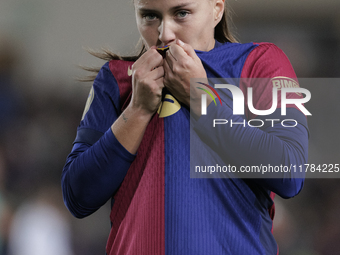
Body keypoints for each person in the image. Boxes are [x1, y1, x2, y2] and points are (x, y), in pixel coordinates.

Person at [61, 0, 309, 254]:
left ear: (216, 9)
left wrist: (199, 97)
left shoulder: (259, 63)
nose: (164, 34)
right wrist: (138, 109)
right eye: (149, 16)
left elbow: (289, 172)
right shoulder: (116, 79)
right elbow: (78, 197)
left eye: (181, 13)